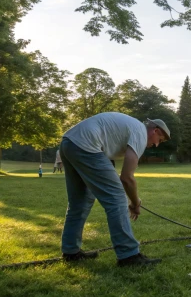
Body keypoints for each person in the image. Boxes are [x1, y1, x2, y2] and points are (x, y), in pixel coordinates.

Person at [59, 112, 170, 267]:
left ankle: (71, 252)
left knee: (80, 202)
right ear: (155, 130)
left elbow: (109, 159)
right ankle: (128, 256)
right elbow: (126, 177)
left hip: (68, 143)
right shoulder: (140, 132)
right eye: (160, 140)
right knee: (117, 199)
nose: (157, 144)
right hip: (86, 144)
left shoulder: (131, 127)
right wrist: (135, 202)